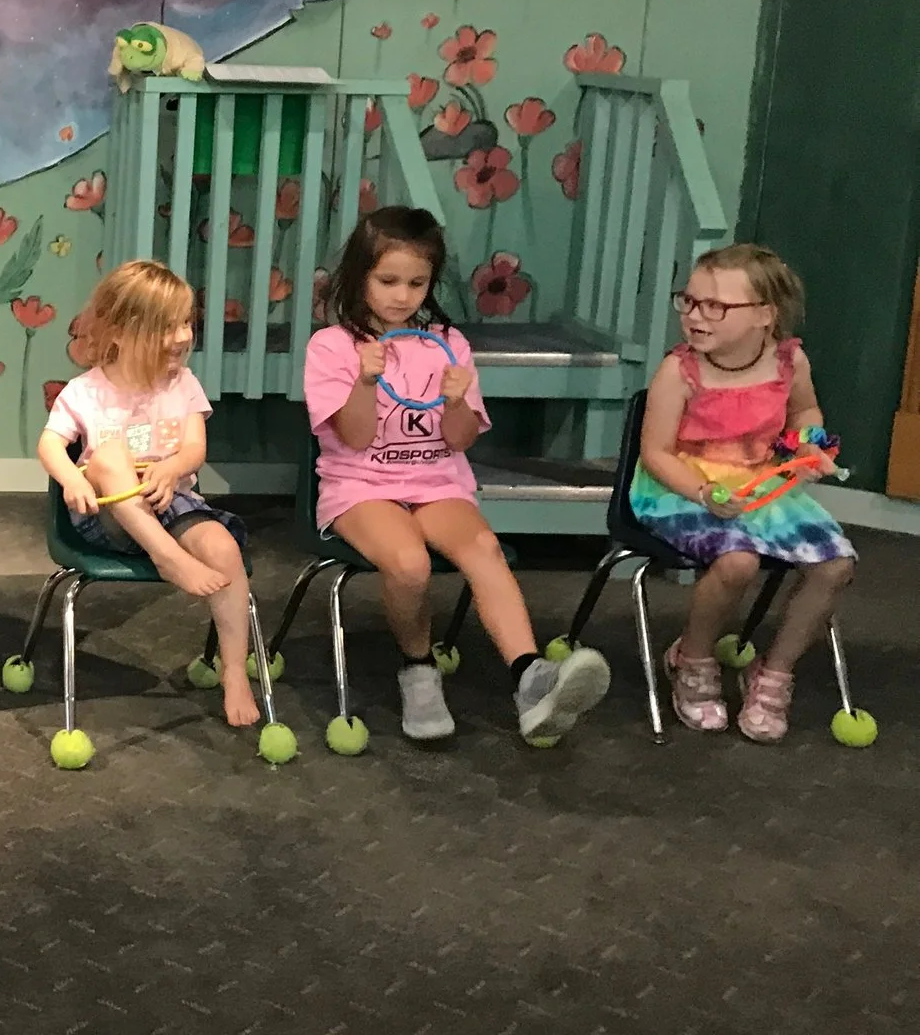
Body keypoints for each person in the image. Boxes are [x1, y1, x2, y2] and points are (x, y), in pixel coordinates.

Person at [305, 207, 611, 746]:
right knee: (409, 564)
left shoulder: (448, 344)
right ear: (359, 276)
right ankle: (418, 669)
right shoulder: (331, 346)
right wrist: (364, 382)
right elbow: (353, 437)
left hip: (436, 481)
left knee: (485, 549)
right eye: (388, 281)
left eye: (416, 283)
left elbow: (461, 439)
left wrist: (454, 402)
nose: (403, 296)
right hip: (359, 486)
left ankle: (531, 679)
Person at [631, 242, 854, 740]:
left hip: (761, 484)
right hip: (682, 487)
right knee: (737, 562)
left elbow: (804, 413)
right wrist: (704, 492)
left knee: (835, 565)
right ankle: (693, 658)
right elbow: (657, 454)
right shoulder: (679, 371)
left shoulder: (789, 363)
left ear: (764, 315)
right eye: (689, 301)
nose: (695, 316)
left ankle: (774, 673)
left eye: (715, 306)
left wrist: (808, 444)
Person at [35, 259, 263, 727]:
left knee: (223, 549)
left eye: (186, 323)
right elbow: (50, 444)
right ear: (120, 333)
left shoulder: (183, 384)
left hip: (172, 503)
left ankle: (234, 670)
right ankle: (167, 557)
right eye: (166, 327)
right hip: (109, 517)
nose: (182, 336)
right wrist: (73, 479)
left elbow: (195, 449)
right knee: (108, 456)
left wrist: (173, 466)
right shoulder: (84, 391)